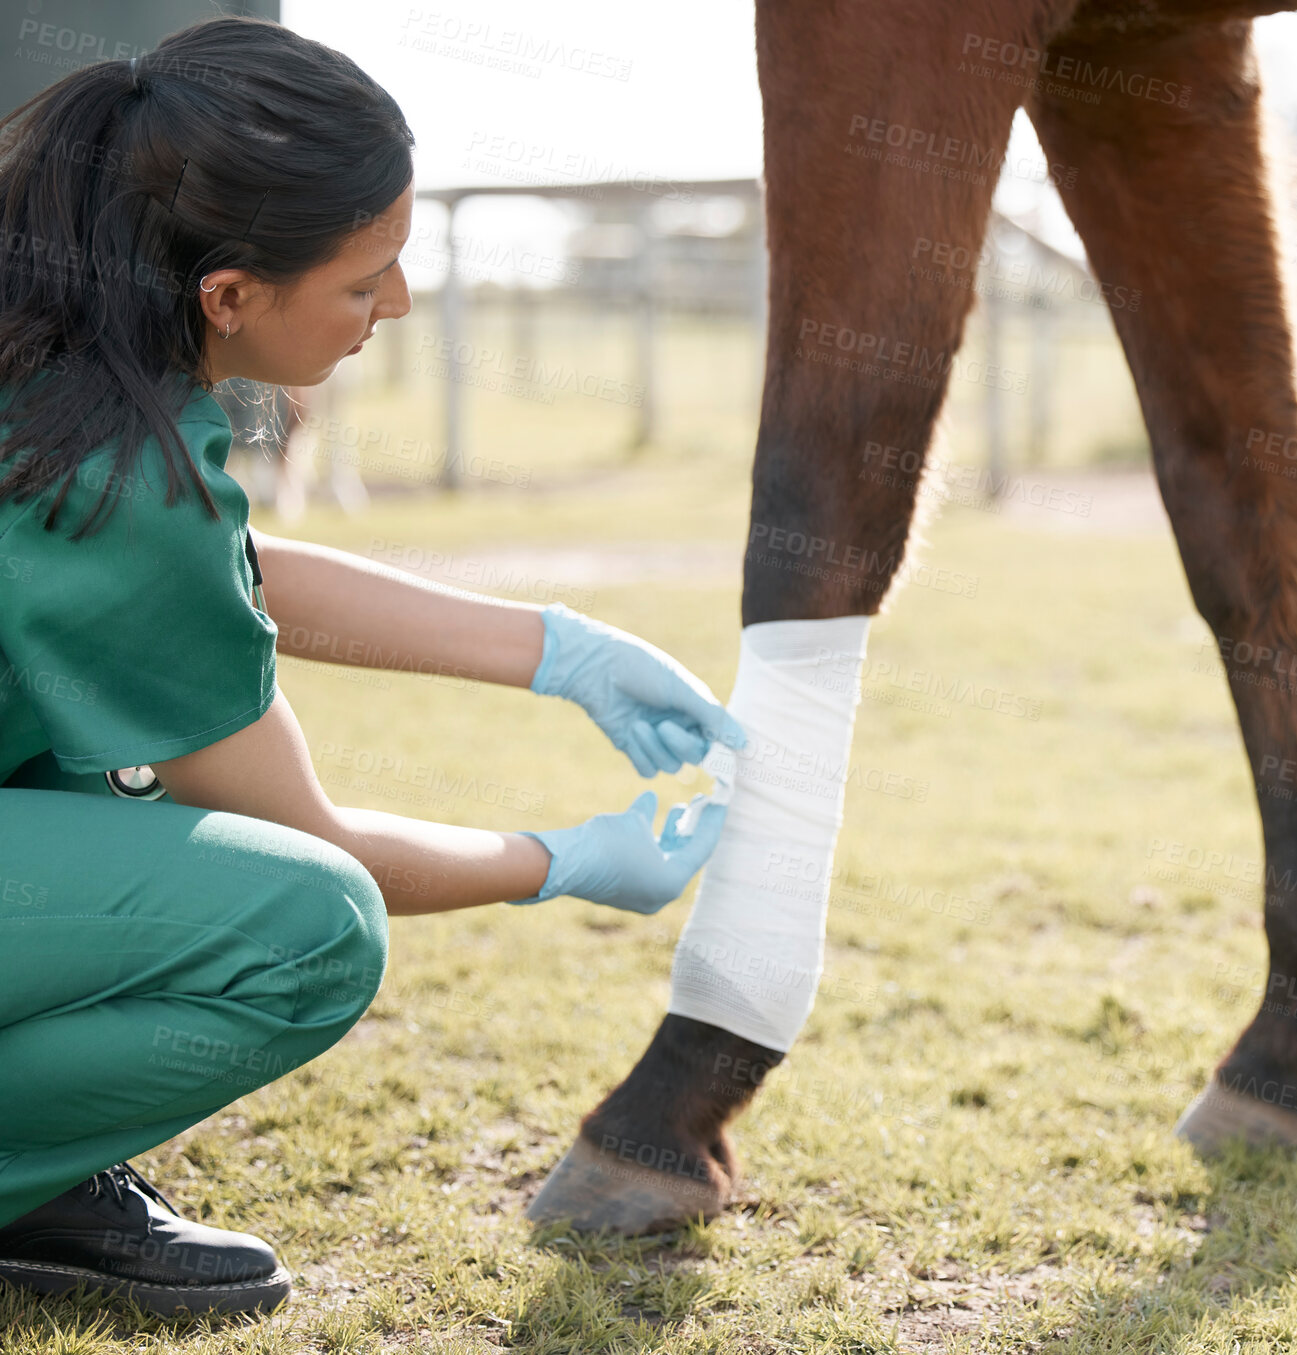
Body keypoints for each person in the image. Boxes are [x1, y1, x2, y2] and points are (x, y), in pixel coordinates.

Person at [0, 16, 742, 1320]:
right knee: (305, 929)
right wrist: (558, 860)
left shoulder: (51, 358)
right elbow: (303, 836)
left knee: (83, 773)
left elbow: (203, 573)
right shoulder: (112, 464)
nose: (393, 306)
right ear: (226, 293)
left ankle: (39, 1177)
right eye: (364, 281)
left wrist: (550, 650)